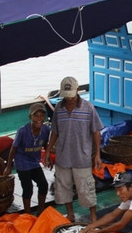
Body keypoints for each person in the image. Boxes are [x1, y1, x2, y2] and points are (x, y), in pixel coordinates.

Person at [43, 76, 103, 223]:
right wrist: (48, 151)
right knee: (63, 187)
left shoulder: (88, 107)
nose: (69, 99)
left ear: (77, 91)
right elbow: (55, 131)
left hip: (82, 156)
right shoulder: (58, 108)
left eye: (71, 95)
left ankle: (93, 217)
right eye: (66, 96)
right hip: (63, 156)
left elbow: (96, 131)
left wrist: (97, 154)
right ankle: (70, 214)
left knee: (87, 188)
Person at [6, 103, 51, 215]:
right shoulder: (22, 131)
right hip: (22, 162)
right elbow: (13, 148)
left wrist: (48, 156)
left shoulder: (46, 129)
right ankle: (27, 213)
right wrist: (8, 166)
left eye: (42, 116)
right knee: (28, 188)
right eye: (36, 116)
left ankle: (40, 210)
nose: (39, 119)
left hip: (34, 162)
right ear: (30, 117)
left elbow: (45, 143)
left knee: (43, 185)